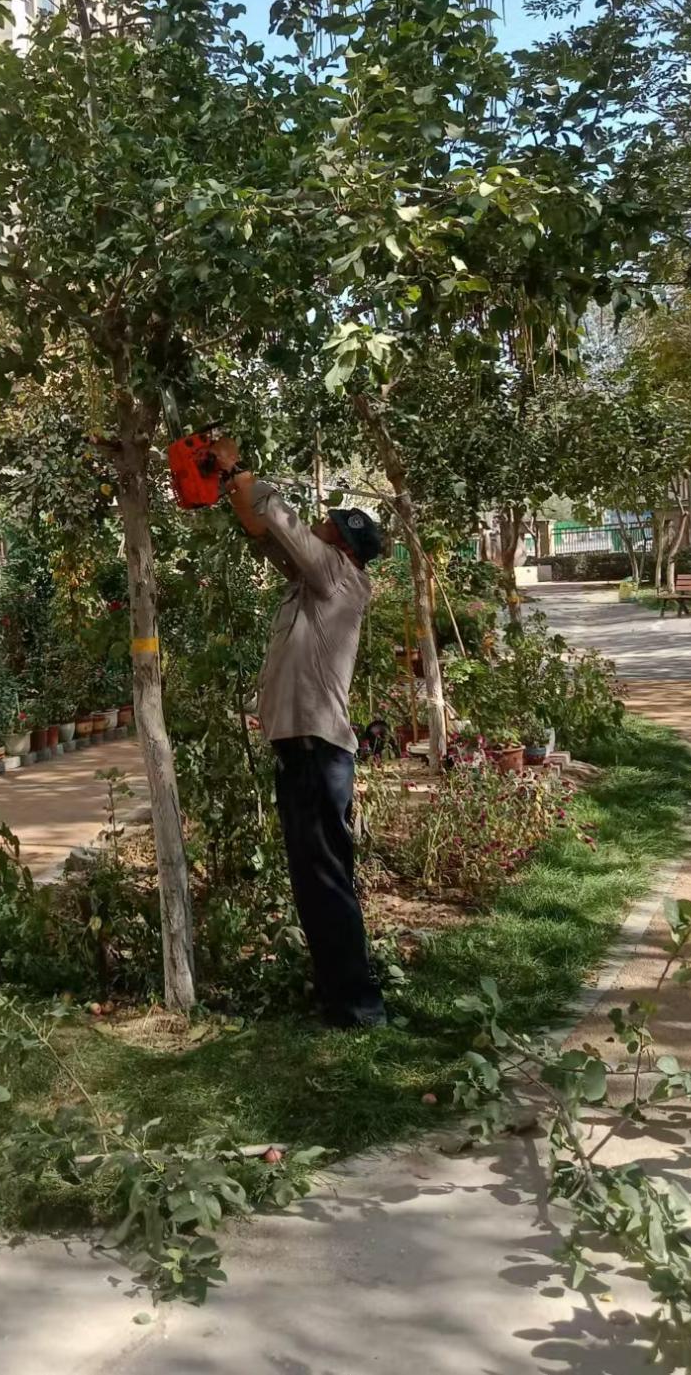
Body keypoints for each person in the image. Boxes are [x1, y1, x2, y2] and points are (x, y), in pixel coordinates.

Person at [209, 435, 388, 1029]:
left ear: (342, 544)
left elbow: (283, 523)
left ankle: (358, 1006)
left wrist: (238, 468)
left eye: (329, 524)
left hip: (316, 749)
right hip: (302, 748)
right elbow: (268, 536)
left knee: (325, 877)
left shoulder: (338, 575)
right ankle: (338, 997)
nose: (319, 524)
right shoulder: (314, 583)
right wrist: (230, 488)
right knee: (313, 879)